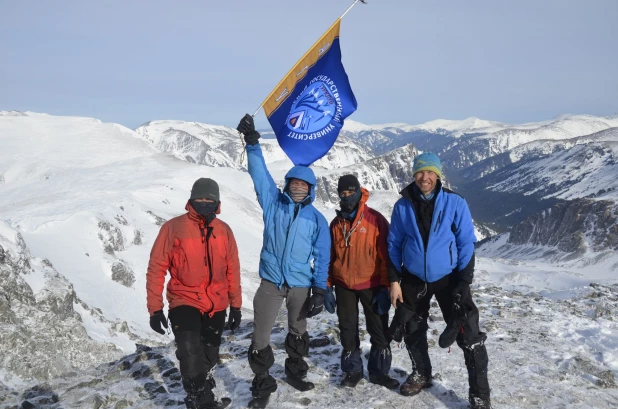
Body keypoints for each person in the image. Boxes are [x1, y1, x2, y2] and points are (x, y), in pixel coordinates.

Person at [237, 114, 331, 407]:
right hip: (271, 282)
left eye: (304, 186)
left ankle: (295, 372)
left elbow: (322, 255)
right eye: (294, 183)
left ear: (311, 190)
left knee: (298, 332)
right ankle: (263, 382)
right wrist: (252, 143)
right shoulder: (273, 203)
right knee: (260, 337)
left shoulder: (316, 219)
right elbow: (260, 175)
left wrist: (319, 289)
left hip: (301, 285)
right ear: (288, 184)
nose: (298, 188)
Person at [387, 153, 492, 409]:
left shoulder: (455, 203)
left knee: (469, 332)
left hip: (449, 277)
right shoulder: (403, 206)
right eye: (420, 172)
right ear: (414, 175)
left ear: (438, 175)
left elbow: (465, 242)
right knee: (411, 326)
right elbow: (394, 243)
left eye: (430, 173)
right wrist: (394, 280)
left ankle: (479, 394)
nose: (425, 177)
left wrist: (464, 280)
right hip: (413, 277)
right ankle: (422, 373)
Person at [146, 178, 241, 409]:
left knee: (209, 354)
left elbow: (232, 269)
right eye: (200, 198)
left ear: (217, 202)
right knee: (189, 349)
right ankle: (198, 398)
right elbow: (157, 267)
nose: (205, 202)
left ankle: (204, 388)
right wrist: (155, 309)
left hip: (216, 303)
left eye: (210, 199)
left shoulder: (224, 230)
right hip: (184, 299)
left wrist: (236, 306)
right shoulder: (173, 227)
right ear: (191, 199)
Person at [325, 174, 400, 390]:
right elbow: (330, 258)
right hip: (343, 285)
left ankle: (379, 372)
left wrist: (386, 287)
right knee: (348, 329)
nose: (347, 197)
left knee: (378, 328)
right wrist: (328, 286)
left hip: (372, 284)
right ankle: (352, 370)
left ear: (359, 192)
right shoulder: (336, 224)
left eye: (351, 192)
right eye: (343, 193)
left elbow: (387, 257)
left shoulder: (375, 220)